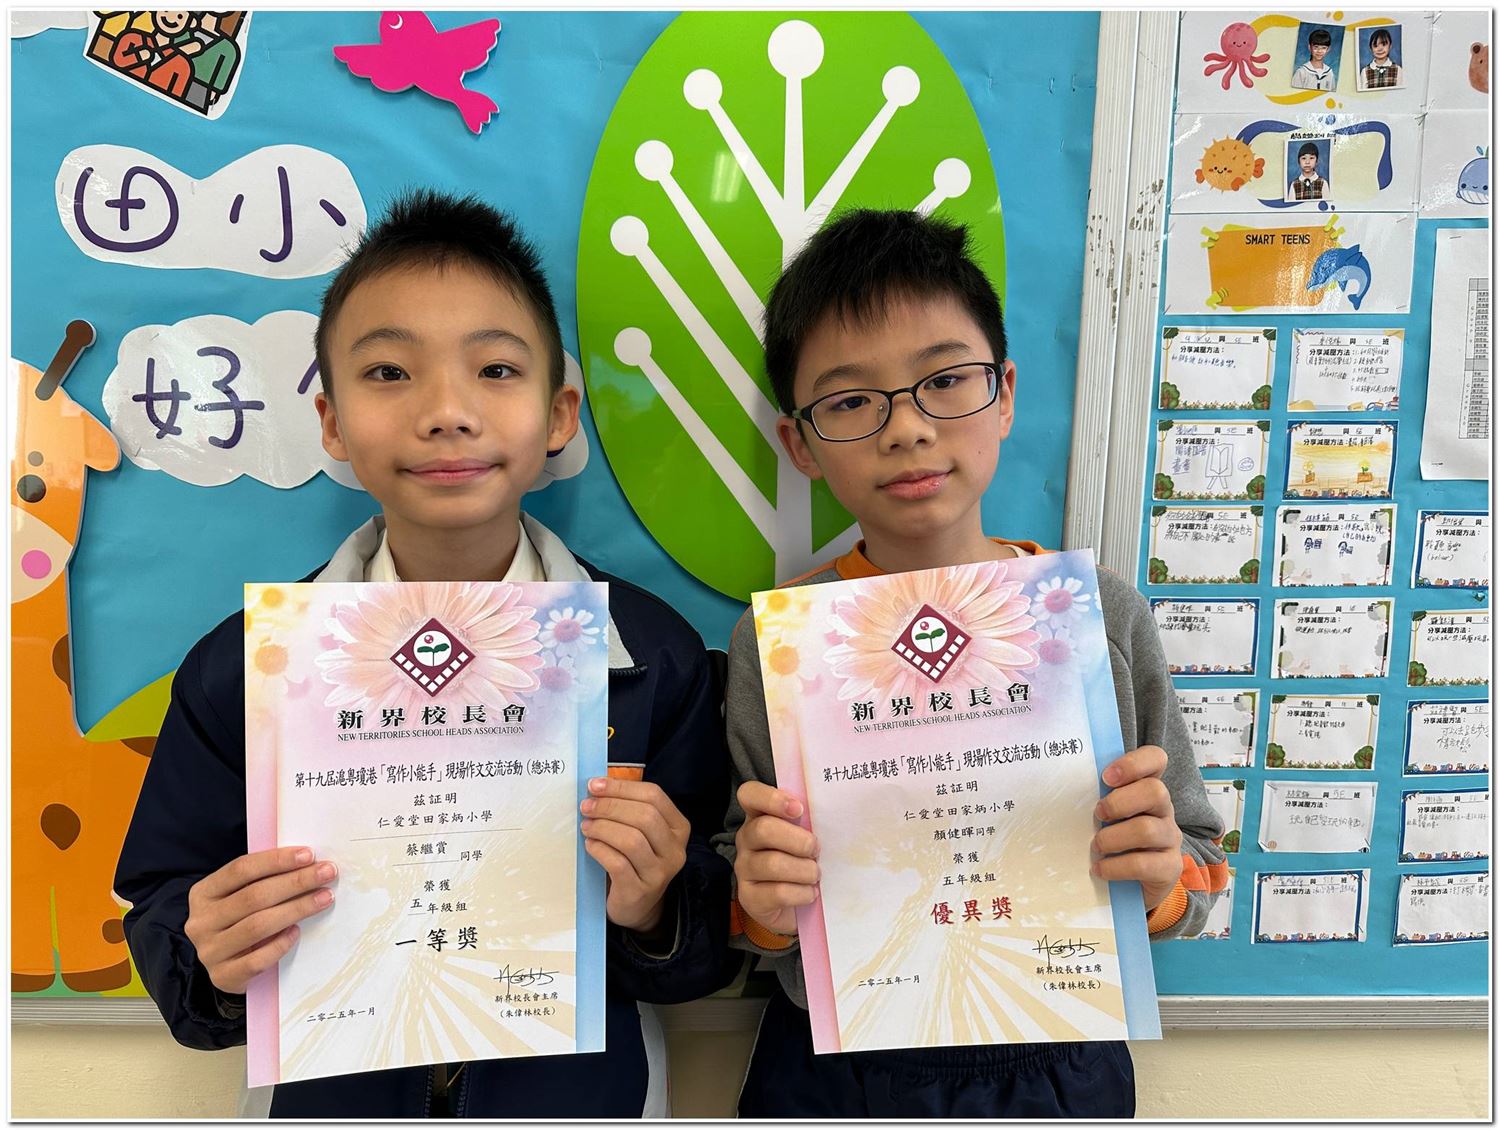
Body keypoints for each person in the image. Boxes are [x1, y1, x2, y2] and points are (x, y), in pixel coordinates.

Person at [114, 189, 737, 1118]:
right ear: (331, 422)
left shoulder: (648, 655)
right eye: (389, 373)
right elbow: (165, 900)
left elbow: (708, 932)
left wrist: (659, 906)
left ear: (559, 413)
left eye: (495, 368)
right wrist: (208, 954)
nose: (446, 411)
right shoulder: (247, 669)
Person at [713, 209, 1228, 1118]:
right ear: (800, 444)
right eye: (850, 401)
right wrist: (762, 902)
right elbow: (748, 889)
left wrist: (1159, 880)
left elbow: (1198, 865)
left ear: (1005, 394)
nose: (907, 429)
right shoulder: (778, 644)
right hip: (839, 1064)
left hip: (1058, 1055)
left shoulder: (1098, 617)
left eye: (946, 380)